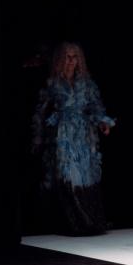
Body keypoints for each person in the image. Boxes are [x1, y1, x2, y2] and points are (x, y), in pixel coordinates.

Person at [32, 42, 115, 235]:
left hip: (83, 135)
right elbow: (39, 112)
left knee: (85, 176)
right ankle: (75, 223)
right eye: (67, 57)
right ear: (60, 59)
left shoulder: (86, 84)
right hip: (62, 134)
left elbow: (95, 105)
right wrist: (38, 138)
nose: (71, 61)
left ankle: (91, 222)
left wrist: (103, 121)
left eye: (74, 57)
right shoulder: (52, 83)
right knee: (67, 174)